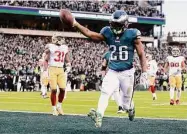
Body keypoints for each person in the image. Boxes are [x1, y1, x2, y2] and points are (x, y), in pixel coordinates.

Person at [72, 10, 148, 127]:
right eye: (114, 24)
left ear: (125, 24)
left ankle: (131, 108)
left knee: (125, 105)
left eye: (118, 25)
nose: (115, 27)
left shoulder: (133, 34)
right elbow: (89, 34)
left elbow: (141, 54)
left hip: (127, 73)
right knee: (105, 92)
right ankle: (99, 114)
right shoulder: (107, 32)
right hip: (112, 71)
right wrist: (75, 24)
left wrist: (144, 72)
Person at [44, 33, 71, 116]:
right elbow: (46, 57)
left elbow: (67, 59)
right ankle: (53, 108)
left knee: (63, 89)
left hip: (61, 69)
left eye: (60, 38)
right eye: (58, 38)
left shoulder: (65, 47)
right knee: (54, 89)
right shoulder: (51, 46)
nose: (60, 40)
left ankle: (59, 105)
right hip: (52, 68)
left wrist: (69, 65)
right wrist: (45, 70)